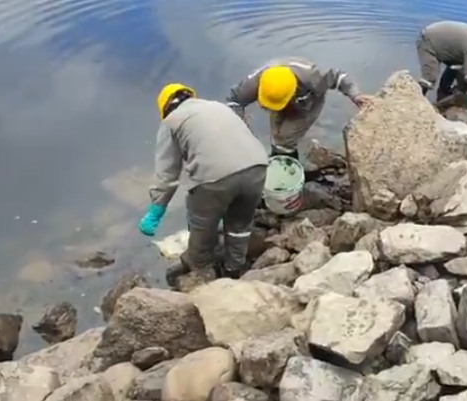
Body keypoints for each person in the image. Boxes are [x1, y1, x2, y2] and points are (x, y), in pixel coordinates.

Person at [138, 83, 269, 287]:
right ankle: (234, 269)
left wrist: (157, 208)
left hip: (214, 178)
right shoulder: (218, 106)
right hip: (257, 166)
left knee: (202, 227)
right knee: (240, 224)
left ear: (165, 109)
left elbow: (167, 174)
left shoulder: (171, 122)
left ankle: (202, 273)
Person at [226, 57, 373, 160]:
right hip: (280, 92)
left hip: (308, 103)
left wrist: (355, 95)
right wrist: (241, 126)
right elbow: (234, 101)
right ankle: (278, 154)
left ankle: (288, 163)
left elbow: (339, 76)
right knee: (276, 134)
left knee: (285, 140)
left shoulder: (314, 78)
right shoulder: (257, 81)